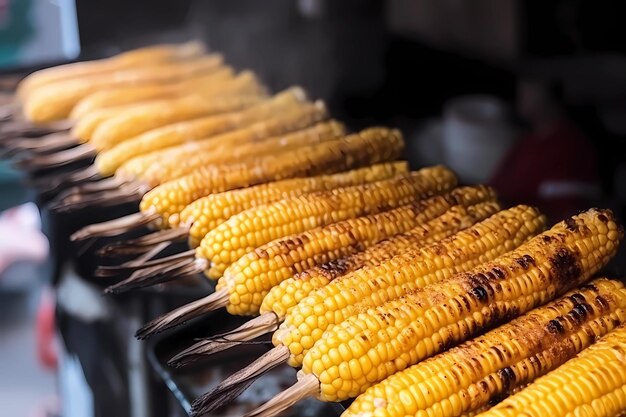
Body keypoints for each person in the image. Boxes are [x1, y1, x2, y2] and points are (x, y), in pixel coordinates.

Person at [489, 75, 600, 222]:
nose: (522, 89)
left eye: (531, 82)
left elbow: (570, 215)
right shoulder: (525, 141)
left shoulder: (570, 147)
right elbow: (494, 188)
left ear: (550, 90)